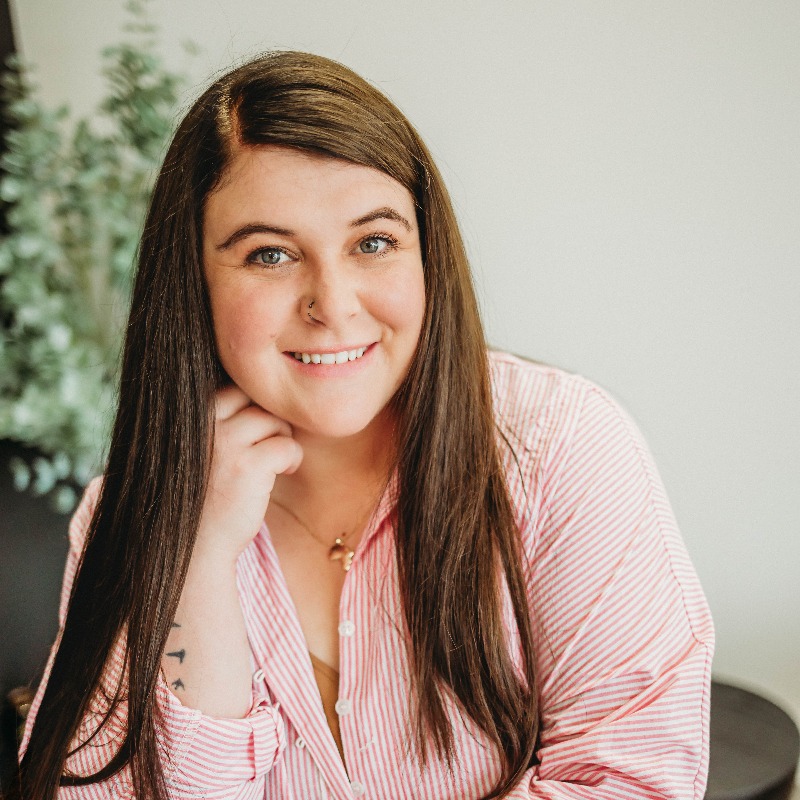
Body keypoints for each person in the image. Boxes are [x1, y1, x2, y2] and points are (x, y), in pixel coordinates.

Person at [15, 51, 714, 800]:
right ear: (194, 280)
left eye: (373, 243)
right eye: (270, 254)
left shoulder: (560, 446)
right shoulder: (129, 513)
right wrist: (197, 555)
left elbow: (632, 783)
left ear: (426, 254)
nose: (335, 304)